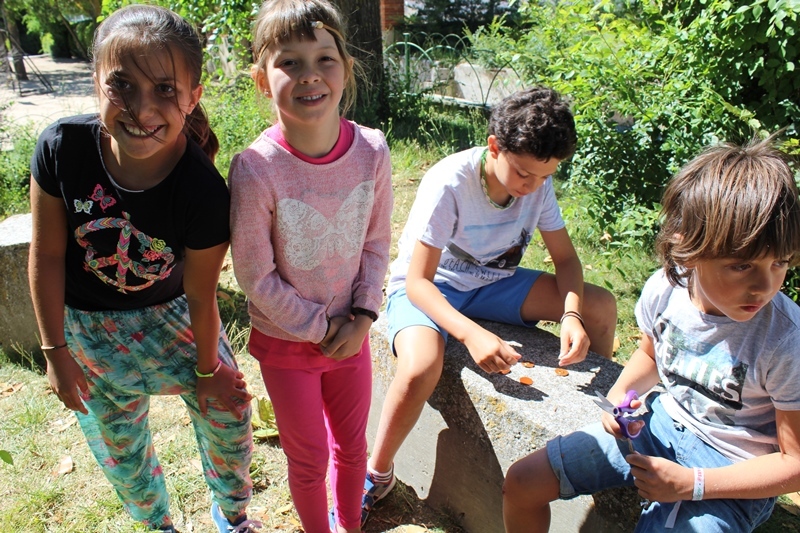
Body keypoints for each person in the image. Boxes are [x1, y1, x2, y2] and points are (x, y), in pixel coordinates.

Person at [27, 5, 260, 533]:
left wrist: (208, 372)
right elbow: (46, 256)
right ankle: (157, 524)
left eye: (164, 89)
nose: (141, 108)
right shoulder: (61, 148)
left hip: (171, 318)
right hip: (85, 327)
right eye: (122, 85)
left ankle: (232, 515)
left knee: (230, 412)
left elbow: (201, 294)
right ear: (96, 81)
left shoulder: (203, 191)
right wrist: (55, 352)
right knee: (119, 448)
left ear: (193, 96)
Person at [502, 137, 800, 532]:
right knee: (523, 481)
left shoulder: (786, 339)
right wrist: (617, 400)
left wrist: (693, 484)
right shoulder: (666, 290)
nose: (765, 287)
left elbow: (795, 464)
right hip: (658, 427)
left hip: (732, 471)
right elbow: (650, 354)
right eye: (742, 266)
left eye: (780, 263)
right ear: (688, 248)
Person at [364, 87, 618, 522]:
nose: (531, 187)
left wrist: (572, 314)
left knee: (600, 305)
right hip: (431, 288)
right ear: (495, 146)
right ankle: (376, 473)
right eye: (524, 174)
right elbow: (418, 282)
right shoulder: (451, 181)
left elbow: (567, 260)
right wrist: (470, 333)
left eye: (545, 176)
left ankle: (603, 416)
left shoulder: (537, 184)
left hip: (493, 284)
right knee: (421, 365)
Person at [228, 1, 393, 532]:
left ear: (346, 68)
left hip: (354, 336)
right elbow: (255, 275)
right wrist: (323, 328)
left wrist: (363, 317)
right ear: (262, 79)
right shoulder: (256, 169)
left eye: (324, 58)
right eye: (290, 62)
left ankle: (349, 525)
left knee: (352, 447)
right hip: (287, 345)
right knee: (309, 458)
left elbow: (376, 242)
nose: (309, 75)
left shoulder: (373, 151)